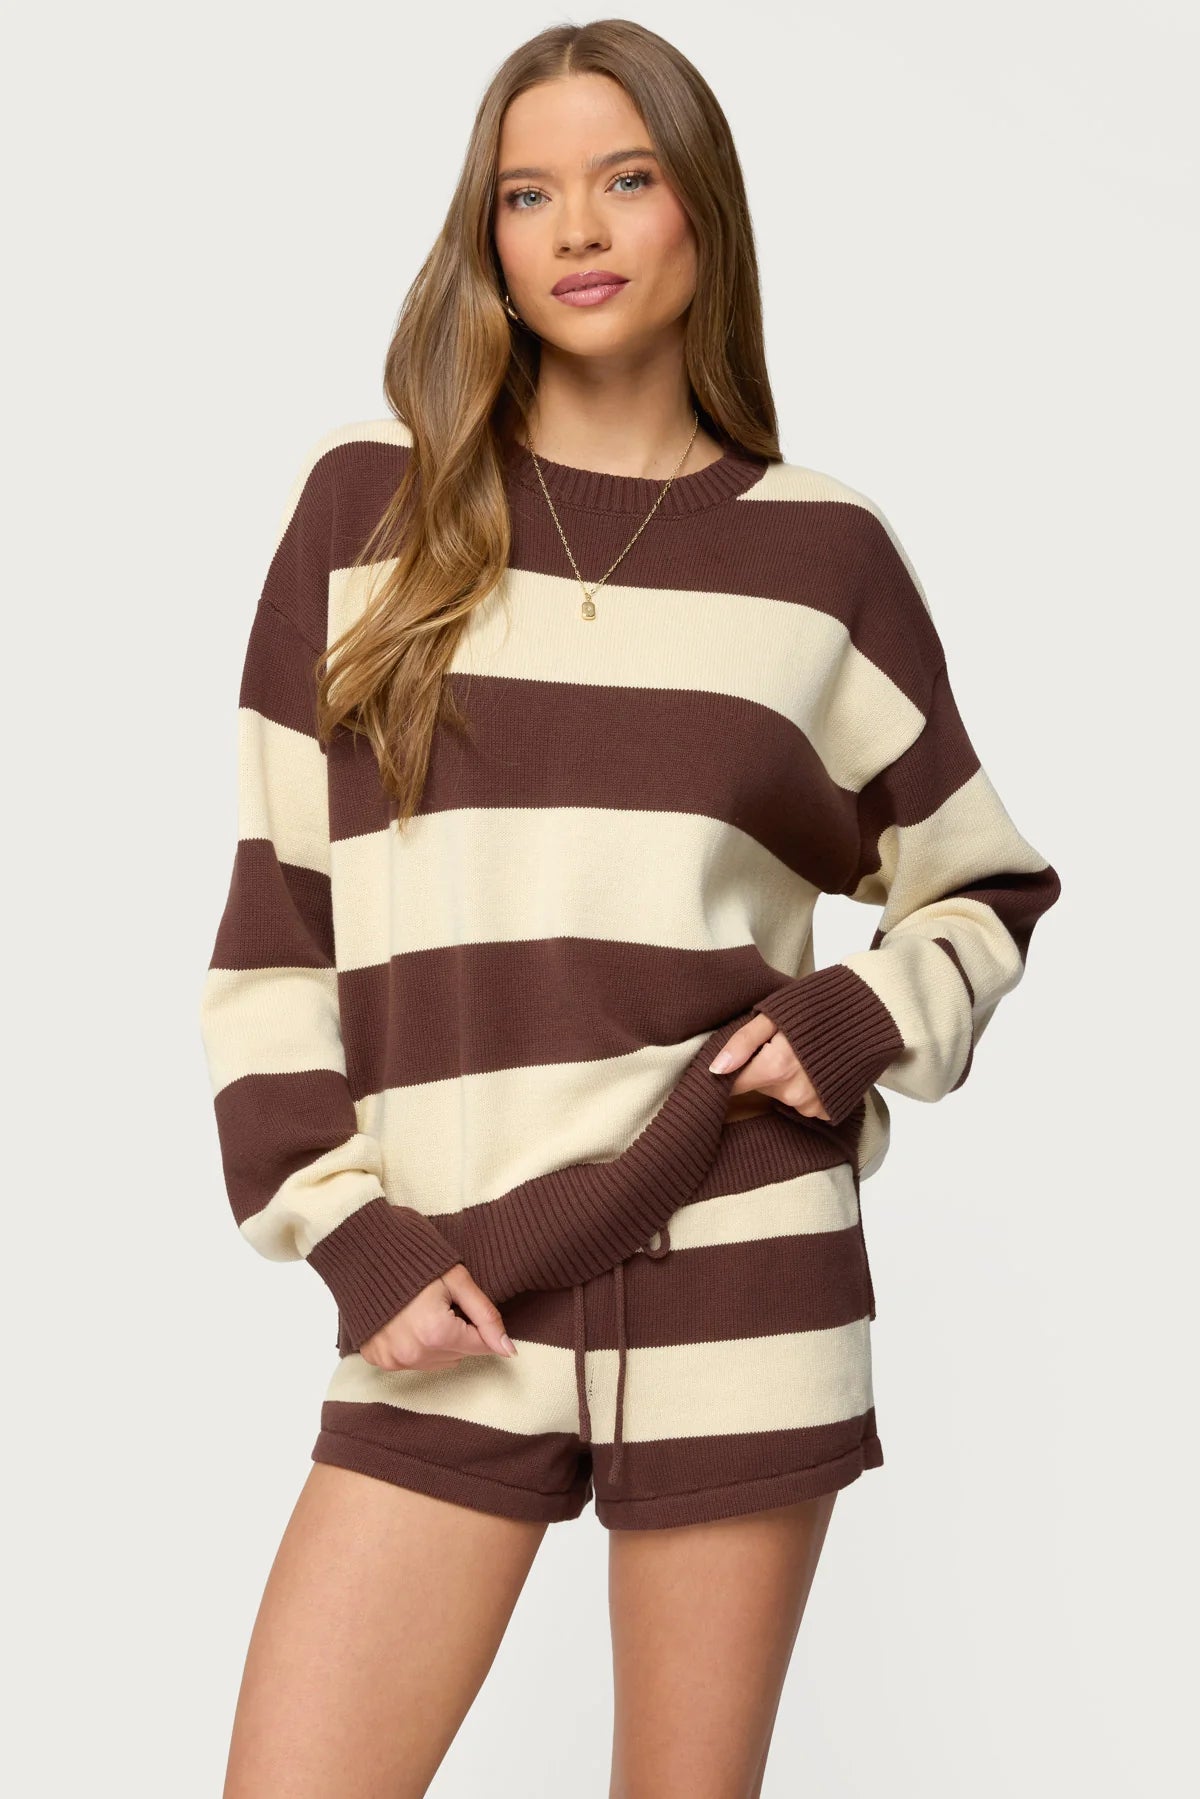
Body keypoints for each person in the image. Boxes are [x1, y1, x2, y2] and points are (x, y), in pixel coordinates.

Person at [198, 19, 1062, 1797]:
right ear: (488, 236)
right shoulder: (368, 511)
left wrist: (860, 1015)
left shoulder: (821, 558)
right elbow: (279, 918)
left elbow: (982, 882)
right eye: (528, 194)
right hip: (456, 1278)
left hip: (742, 1262)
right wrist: (347, 1232)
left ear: (700, 213)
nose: (576, 228)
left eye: (624, 177)